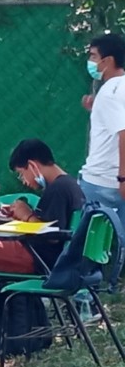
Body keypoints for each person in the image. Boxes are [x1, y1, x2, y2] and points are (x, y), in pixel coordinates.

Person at [0, 139, 84, 274]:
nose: (23, 180)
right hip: (40, 253)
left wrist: (27, 214)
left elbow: (52, 235)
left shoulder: (58, 189)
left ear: (32, 165)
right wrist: (21, 215)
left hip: (38, 257)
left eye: (21, 173)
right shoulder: (67, 184)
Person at [78, 33, 125, 229]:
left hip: (103, 182)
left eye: (93, 56)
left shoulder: (109, 93)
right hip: (113, 182)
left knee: (92, 249)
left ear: (108, 61)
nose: (90, 61)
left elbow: (123, 133)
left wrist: (122, 178)